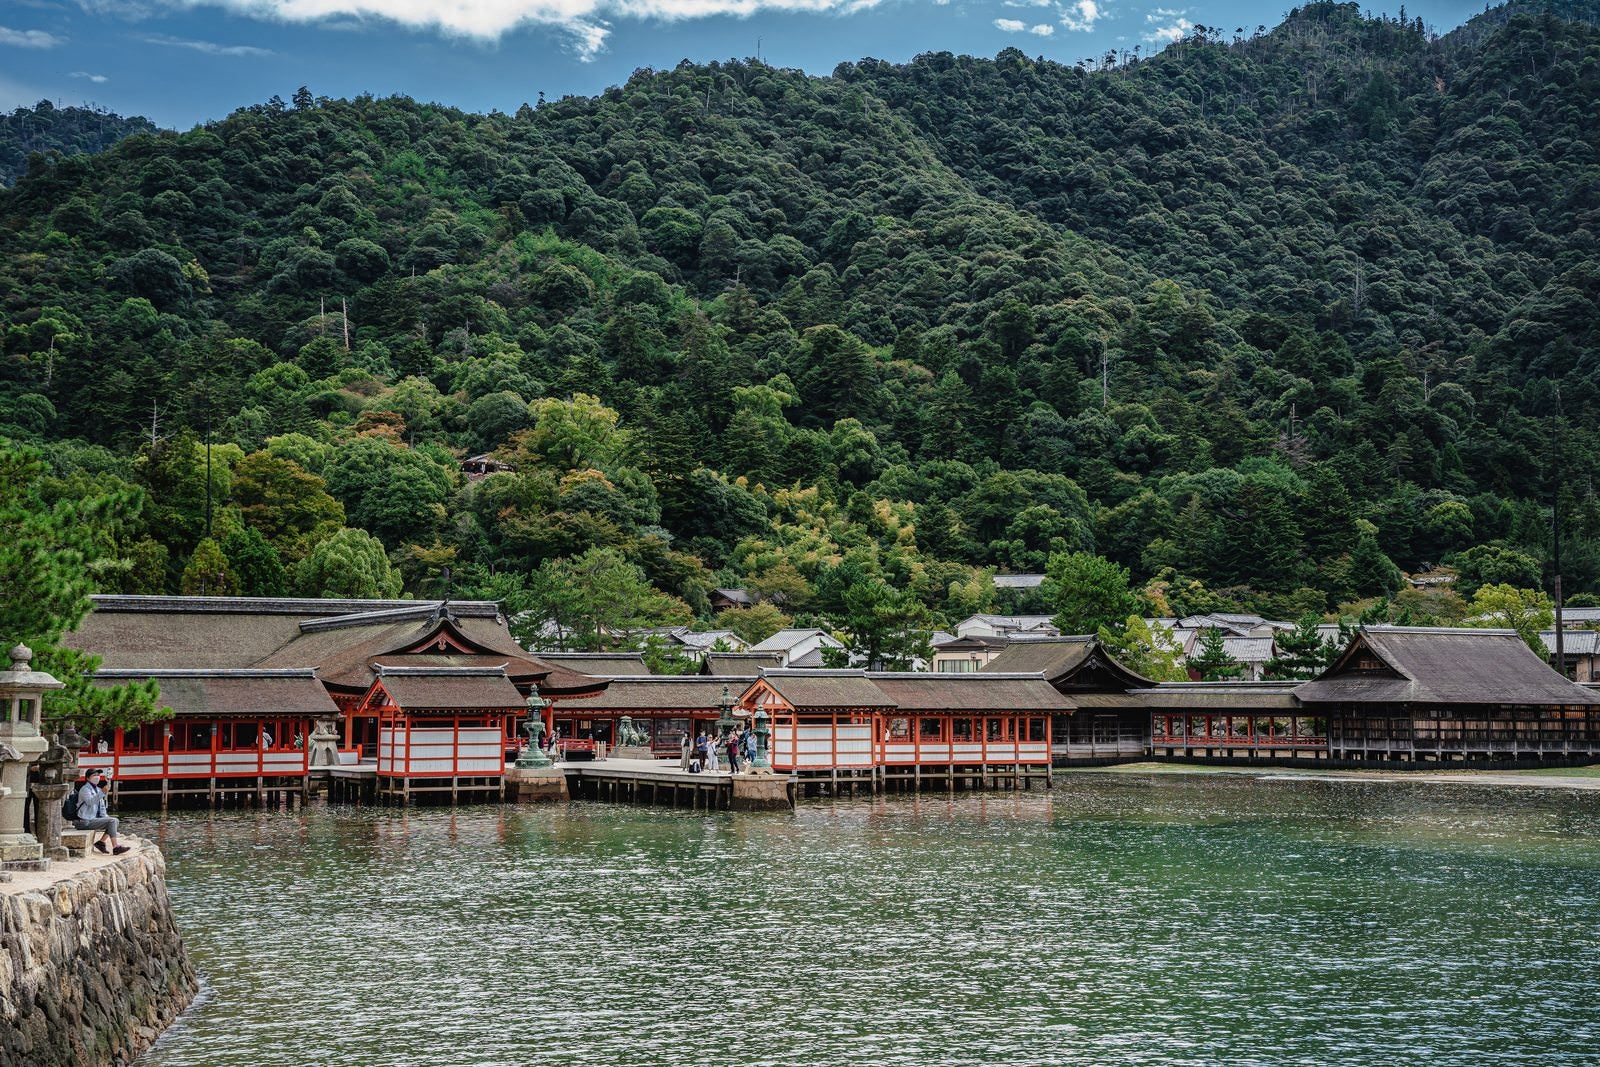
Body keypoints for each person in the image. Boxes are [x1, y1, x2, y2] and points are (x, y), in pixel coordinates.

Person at [73, 769, 130, 855]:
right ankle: (115, 847)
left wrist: (106, 817)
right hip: (83, 821)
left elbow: (102, 808)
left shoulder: (98, 789)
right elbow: (90, 802)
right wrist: (102, 793)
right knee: (112, 821)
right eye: (94, 775)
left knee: (115, 821)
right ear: (88, 778)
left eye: (98, 775)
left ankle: (101, 843)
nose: (97, 777)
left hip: (92, 819)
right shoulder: (85, 789)